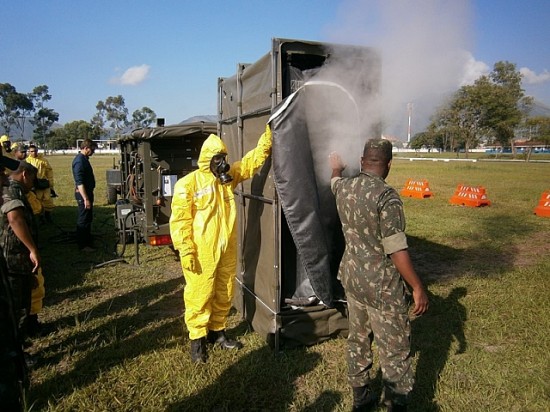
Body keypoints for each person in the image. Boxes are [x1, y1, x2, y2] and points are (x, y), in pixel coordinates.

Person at [329, 139, 429, 412]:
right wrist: (417, 286)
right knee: (395, 349)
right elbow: (396, 250)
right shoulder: (387, 197)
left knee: (359, 338)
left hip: (352, 278)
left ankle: (361, 399)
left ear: (362, 161)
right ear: (388, 165)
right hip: (382, 287)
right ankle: (395, 404)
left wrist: (336, 168)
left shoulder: (345, 188)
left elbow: (334, 183)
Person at [169, 124, 272, 363]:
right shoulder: (188, 185)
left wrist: (268, 135)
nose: (222, 163)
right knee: (199, 294)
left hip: (226, 248)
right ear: (207, 160)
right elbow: (180, 221)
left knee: (225, 290)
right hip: (200, 252)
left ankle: (218, 332)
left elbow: (251, 161)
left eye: (223, 158)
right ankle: (197, 341)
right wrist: (186, 250)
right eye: (218, 159)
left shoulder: (227, 179)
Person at [0, 161, 41, 345]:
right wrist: (32, 249)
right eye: (32, 178)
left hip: (15, 256)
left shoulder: (11, 188)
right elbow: (15, 219)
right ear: (25, 174)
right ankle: (17, 350)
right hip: (14, 257)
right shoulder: (13, 189)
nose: (33, 184)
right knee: (18, 308)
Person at [72, 139, 97, 252]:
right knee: (83, 218)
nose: (93, 152)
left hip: (87, 192)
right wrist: (86, 198)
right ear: (86, 148)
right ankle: (83, 245)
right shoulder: (79, 161)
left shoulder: (84, 159)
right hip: (83, 194)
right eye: (92, 149)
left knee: (88, 217)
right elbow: (79, 182)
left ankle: (87, 239)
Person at [26, 144, 55, 223]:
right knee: (37, 201)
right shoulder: (27, 161)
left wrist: (50, 182)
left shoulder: (43, 160)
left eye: (35, 151)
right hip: (34, 184)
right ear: (29, 152)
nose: (34, 153)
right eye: (32, 151)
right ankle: (40, 217)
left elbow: (49, 171)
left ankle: (48, 216)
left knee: (48, 200)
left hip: (43, 182)